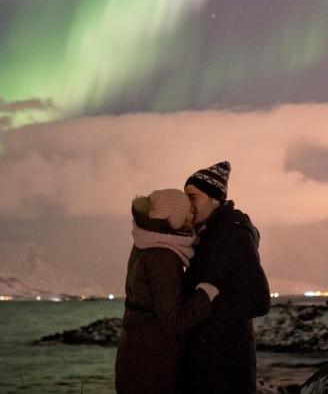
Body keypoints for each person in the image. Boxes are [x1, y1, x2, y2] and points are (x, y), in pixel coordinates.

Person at [115, 188, 219, 394]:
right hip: (153, 368)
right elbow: (173, 321)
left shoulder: (143, 244)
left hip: (134, 358)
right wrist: (205, 295)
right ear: (173, 217)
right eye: (187, 212)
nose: (192, 215)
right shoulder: (163, 256)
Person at [183, 161, 271, 394]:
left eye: (193, 197)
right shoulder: (205, 235)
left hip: (225, 364)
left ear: (215, 199)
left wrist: (208, 304)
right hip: (209, 361)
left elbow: (258, 299)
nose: (187, 204)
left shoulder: (234, 235)